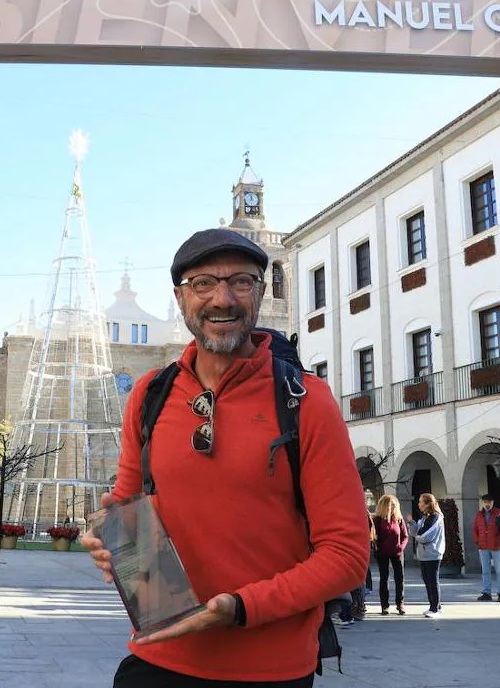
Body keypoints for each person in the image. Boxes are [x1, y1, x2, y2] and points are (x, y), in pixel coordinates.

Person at [80, 228, 369, 687]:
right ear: (180, 297)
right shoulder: (150, 394)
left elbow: (348, 556)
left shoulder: (306, 401)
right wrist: (109, 538)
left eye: (241, 281)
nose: (222, 299)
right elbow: (126, 507)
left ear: (259, 292)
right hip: (159, 657)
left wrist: (241, 607)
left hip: (269, 671)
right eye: (203, 284)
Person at [406, 494, 445, 619]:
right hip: (423, 554)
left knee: (433, 581)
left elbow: (425, 536)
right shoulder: (424, 517)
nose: (418, 504)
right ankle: (434, 605)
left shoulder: (436, 517)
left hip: (433, 554)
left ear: (428, 504)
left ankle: (435, 608)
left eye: (421, 502)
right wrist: (411, 523)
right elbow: (415, 531)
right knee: (427, 580)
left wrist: (417, 536)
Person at [372, 494, 408, 615]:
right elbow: (373, 537)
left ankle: (400, 604)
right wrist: (377, 548)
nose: (392, 507)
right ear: (384, 506)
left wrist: (401, 547)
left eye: (394, 505)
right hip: (382, 553)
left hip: (397, 553)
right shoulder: (377, 520)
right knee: (384, 578)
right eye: (390, 505)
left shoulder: (398, 519)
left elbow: (405, 536)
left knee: (400, 578)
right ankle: (385, 605)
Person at [472, 494, 500, 602]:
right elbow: (475, 529)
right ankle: (487, 593)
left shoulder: (499, 513)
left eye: (489, 502)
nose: (487, 504)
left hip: (496, 547)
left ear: (493, 502)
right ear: (483, 503)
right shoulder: (479, 514)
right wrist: (477, 541)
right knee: (485, 571)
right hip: (483, 547)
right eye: (485, 502)